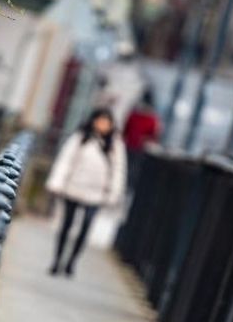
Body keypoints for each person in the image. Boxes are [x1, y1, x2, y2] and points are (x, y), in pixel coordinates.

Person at [45, 108, 127, 277]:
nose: (102, 125)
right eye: (100, 120)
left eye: (106, 122)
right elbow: (65, 161)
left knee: (86, 227)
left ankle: (71, 262)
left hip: (96, 193)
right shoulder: (80, 138)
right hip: (74, 187)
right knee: (66, 225)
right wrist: (57, 182)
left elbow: (118, 171)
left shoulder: (115, 145)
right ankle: (57, 260)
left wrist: (113, 193)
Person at [123, 89, 161, 190]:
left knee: (133, 169)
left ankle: (128, 187)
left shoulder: (151, 119)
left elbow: (154, 136)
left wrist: (145, 141)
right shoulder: (135, 115)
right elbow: (126, 129)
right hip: (130, 145)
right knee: (126, 167)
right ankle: (124, 186)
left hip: (139, 148)